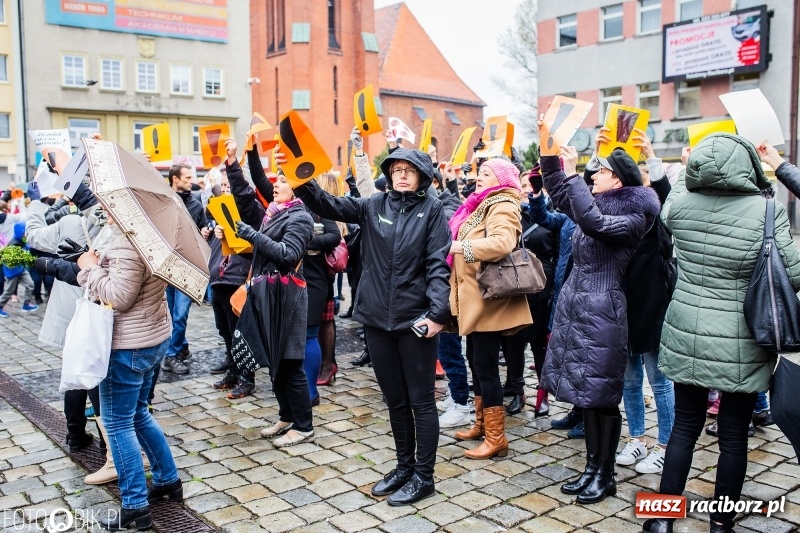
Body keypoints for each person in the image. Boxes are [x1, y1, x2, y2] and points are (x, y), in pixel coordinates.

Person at [644, 134, 800, 533]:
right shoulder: (767, 211)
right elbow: (794, 275)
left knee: (684, 426)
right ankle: (720, 523)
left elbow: (673, 196)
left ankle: (660, 520)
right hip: (742, 339)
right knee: (733, 435)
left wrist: (687, 165)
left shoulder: (679, 207)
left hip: (686, 332)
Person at [294, 147, 451, 506]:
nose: (402, 175)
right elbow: (328, 204)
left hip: (417, 320)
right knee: (395, 400)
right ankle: (403, 466)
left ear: (423, 175)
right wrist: (301, 176)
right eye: (396, 169)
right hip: (377, 318)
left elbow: (439, 265)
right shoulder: (373, 205)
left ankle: (424, 476)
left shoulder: (432, 210)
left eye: (410, 170)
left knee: (421, 401)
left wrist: (437, 314)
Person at [540, 138, 660, 505]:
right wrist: (551, 155)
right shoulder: (598, 203)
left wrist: (575, 173)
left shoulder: (634, 215)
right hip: (580, 307)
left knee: (603, 398)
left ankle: (605, 476)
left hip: (604, 310)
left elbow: (593, 222)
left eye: (601, 171)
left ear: (619, 181)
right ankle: (592, 470)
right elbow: (562, 194)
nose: (594, 176)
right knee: (587, 397)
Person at [76, 215, 179, 531]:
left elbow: (119, 297)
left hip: (127, 344)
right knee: (138, 414)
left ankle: (135, 506)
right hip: (151, 337)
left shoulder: (128, 240)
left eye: (107, 205)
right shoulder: (153, 229)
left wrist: (89, 268)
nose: (104, 210)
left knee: (118, 422)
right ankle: (167, 480)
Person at [227, 139, 317, 448]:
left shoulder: (301, 217)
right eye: (276, 179)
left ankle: (304, 425)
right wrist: (235, 162)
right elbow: (245, 191)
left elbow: (289, 254)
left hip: (287, 298)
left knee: (290, 364)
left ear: (297, 187)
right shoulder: (273, 212)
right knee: (275, 362)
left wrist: (253, 236)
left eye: (282, 180)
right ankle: (286, 416)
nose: (275, 184)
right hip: (268, 295)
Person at [448, 158, 533, 459]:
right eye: (479, 172)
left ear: (502, 178)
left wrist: (462, 248)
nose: (479, 176)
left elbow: (502, 243)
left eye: (487, 173)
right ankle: (483, 424)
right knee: (474, 359)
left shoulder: (504, 204)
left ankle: (497, 438)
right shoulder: (479, 203)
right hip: (475, 298)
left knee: (485, 366)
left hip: (490, 300)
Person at [615, 130, 675, 476]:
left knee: (660, 380)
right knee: (629, 380)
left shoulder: (653, 211)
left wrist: (652, 156)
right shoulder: (612, 213)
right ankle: (637, 438)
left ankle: (665, 445)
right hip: (622, 308)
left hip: (652, 307)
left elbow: (666, 198)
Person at [500, 169, 556, 417]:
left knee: (539, 346)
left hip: (541, 288)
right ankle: (518, 391)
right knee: (513, 344)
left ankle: (542, 396)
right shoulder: (509, 216)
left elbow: (560, 252)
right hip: (513, 288)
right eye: (521, 184)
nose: (525, 188)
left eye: (530, 185)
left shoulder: (552, 215)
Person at [207, 174, 255, 398]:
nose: (225, 189)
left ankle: (247, 377)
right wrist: (210, 233)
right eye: (223, 185)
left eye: (229, 185)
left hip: (236, 279)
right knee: (225, 331)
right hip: (218, 279)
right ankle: (233, 371)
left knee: (240, 332)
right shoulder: (219, 211)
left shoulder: (249, 212)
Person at [160, 163, 210, 375]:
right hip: (166, 265)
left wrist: (204, 234)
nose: (192, 181)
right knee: (170, 314)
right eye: (187, 177)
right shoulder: (163, 201)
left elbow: (201, 232)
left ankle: (170, 355)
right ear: (175, 179)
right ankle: (180, 346)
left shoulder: (197, 205)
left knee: (180, 314)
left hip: (188, 266)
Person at [311, 172, 345, 389]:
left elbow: (335, 237)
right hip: (323, 272)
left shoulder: (328, 209)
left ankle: (327, 364)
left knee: (326, 320)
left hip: (323, 271)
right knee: (325, 320)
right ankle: (326, 363)